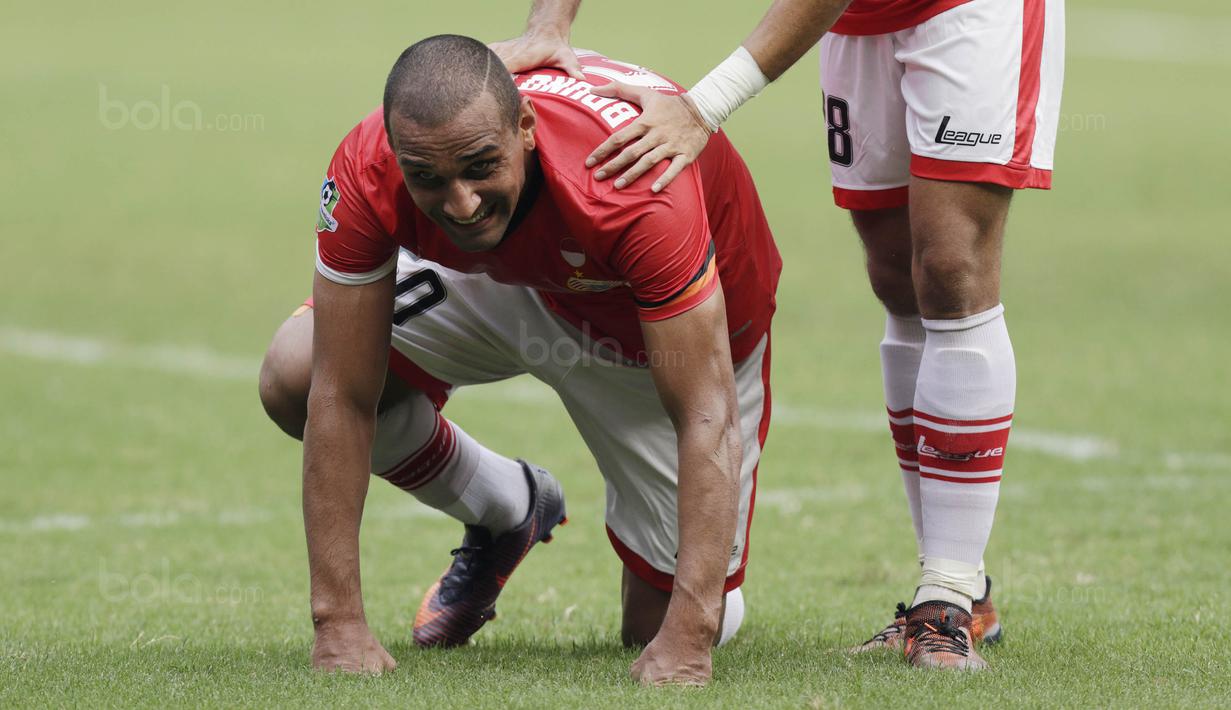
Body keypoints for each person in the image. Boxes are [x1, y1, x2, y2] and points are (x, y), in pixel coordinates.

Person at [494, 0, 1064, 670]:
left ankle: (947, 595)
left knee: (949, 267)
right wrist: (549, 23)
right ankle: (965, 591)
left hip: (963, 10)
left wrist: (702, 107)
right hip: (858, 20)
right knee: (894, 273)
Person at [258, 35, 782, 686]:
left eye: (481, 166)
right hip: (512, 279)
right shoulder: (368, 167)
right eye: (428, 178)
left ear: (526, 129)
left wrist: (692, 634)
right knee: (297, 373)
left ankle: (708, 596)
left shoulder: (632, 179)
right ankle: (505, 507)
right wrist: (337, 623)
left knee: (657, 626)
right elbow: (340, 391)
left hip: (649, 336)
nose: (461, 203)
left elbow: (706, 413)